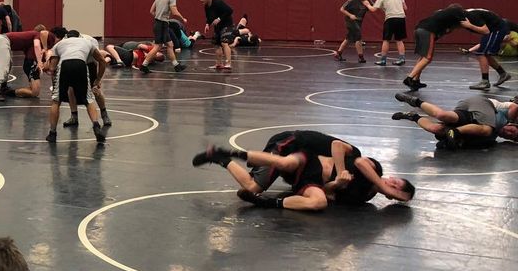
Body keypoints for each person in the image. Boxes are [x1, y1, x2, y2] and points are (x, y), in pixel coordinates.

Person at [191, 132, 415, 211]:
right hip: (298, 151)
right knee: (281, 166)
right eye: (396, 182)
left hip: (310, 179)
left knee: (319, 203)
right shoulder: (372, 166)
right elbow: (357, 161)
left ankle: (265, 202)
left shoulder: (361, 197)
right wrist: (340, 172)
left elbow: (328, 192)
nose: (392, 184)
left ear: (390, 197)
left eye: (395, 190)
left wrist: (336, 185)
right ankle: (228, 154)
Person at [403, 4, 490, 91]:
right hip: (427, 31)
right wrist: (475, 27)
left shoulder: (443, 14)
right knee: (427, 57)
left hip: (419, 29)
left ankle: (415, 80)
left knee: (423, 56)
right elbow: (466, 25)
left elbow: (449, 28)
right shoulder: (458, 13)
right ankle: (409, 78)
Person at [44, 30, 107, 145]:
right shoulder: (87, 42)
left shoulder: (59, 44)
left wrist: (54, 83)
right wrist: (98, 79)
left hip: (65, 65)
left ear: (66, 37)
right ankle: (96, 125)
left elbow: (52, 69)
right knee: (88, 99)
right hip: (81, 65)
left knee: (56, 101)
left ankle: (52, 133)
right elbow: (102, 61)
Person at [392, 92, 518, 150]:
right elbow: (515, 106)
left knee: (438, 124)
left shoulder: (493, 137)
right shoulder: (505, 117)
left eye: (511, 137)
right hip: (482, 104)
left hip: (468, 113)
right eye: (513, 131)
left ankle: (413, 114)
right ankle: (454, 131)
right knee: (487, 130)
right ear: (514, 125)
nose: (509, 133)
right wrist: (511, 119)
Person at [0, 24, 58, 102]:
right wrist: (40, 61)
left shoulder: (29, 39)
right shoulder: (37, 34)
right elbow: (39, 41)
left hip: (2, 40)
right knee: (2, 67)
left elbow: (31, 53)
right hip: (2, 40)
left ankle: (3, 87)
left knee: (8, 65)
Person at [141, 0, 187, 74]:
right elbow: (174, 11)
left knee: (170, 45)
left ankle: (176, 66)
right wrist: (183, 18)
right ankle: (144, 65)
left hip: (159, 23)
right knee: (158, 47)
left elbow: (151, 11)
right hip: (162, 24)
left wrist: (158, 17)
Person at [463, 8, 512, 90]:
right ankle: (503, 74)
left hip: (497, 29)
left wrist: (470, 26)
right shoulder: (466, 13)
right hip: (493, 29)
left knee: (481, 53)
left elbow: (485, 30)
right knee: (485, 54)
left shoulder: (470, 15)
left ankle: (485, 82)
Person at [372, 0, 408, 66]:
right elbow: (405, 8)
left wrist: (366, 4)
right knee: (399, 40)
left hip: (391, 19)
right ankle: (402, 59)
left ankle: (383, 60)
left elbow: (373, 9)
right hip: (401, 18)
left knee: (386, 40)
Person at [201, 0, 237, 71]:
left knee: (224, 42)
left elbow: (230, 10)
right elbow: (208, 17)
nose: (201, 0)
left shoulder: (218, 3)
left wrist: (219, 18)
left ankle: (228, 63)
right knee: (216, 44)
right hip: (218, 27)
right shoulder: (206, 6)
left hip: (227, 25)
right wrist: (207, 24)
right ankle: (218, 64)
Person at [334, 0, 371, 64]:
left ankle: (338, 54)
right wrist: (350, 15)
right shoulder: (352, 0)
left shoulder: (367, 0)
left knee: (349, 38)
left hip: (359, 22)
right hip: (350, 21)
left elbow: (373, 8)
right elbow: (342, 9)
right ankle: (361, 57)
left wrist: (368, 4)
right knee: (358, 36)